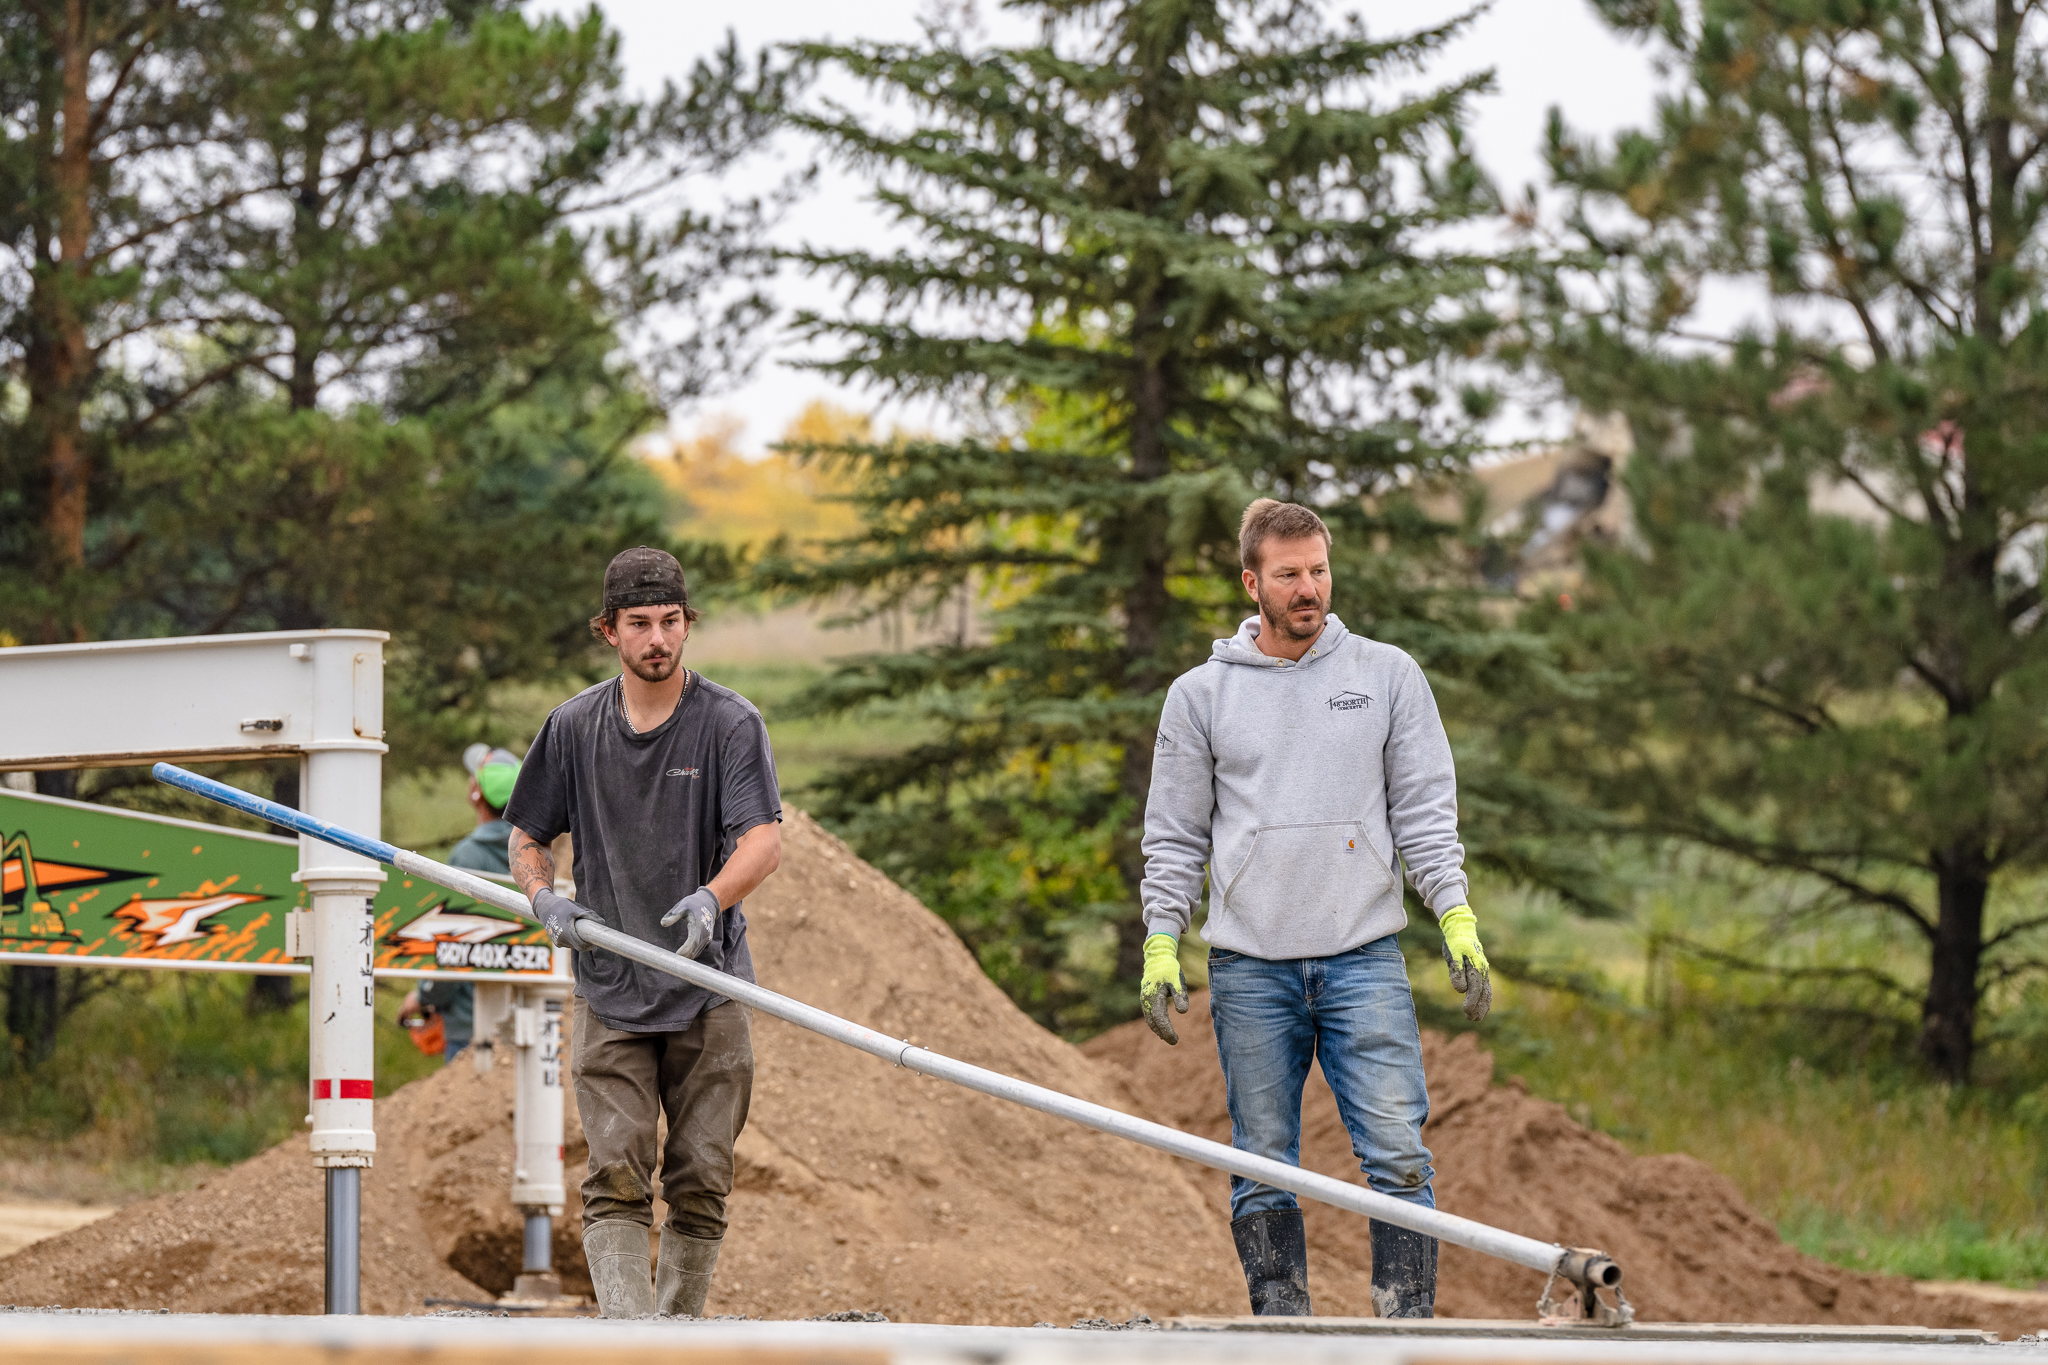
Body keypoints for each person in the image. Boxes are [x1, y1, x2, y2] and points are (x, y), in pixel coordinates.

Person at [1136, 498, 1492, 1321]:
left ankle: (1408, 1329)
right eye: (1290, 574)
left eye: (1320, 570)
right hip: (1250, 966)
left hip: (1363, 956)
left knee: (1400, 1152)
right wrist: (1162, 938)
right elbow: (1175, 833)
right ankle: (1282, 1331)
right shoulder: (1200, 697)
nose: (1309, 588)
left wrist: (1456, 916)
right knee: (1262, 1161)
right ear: (1252, 581)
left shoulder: (1386, 676)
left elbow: (1425, 812)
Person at [503, 546, 782, 1319]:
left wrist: (710, 898)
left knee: (702, 1176)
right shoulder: (572, 727)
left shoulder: (729, 722)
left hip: (709, 987)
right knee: (616, 1174)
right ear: (608, 631)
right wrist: (543, 896)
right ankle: (630, 1339)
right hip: (609, 985)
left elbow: (763, 838)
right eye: (639, 623)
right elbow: (526, 833)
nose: (657, 638)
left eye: (669, 621)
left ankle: (678, 1334)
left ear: (687, 623)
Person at [403, 745, 522, 1063]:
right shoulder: (536, 851)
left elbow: (454, 948)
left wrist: (423, 995)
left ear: (476, 793)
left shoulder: (466, 857)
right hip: (525, 1020)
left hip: (469, 1025)